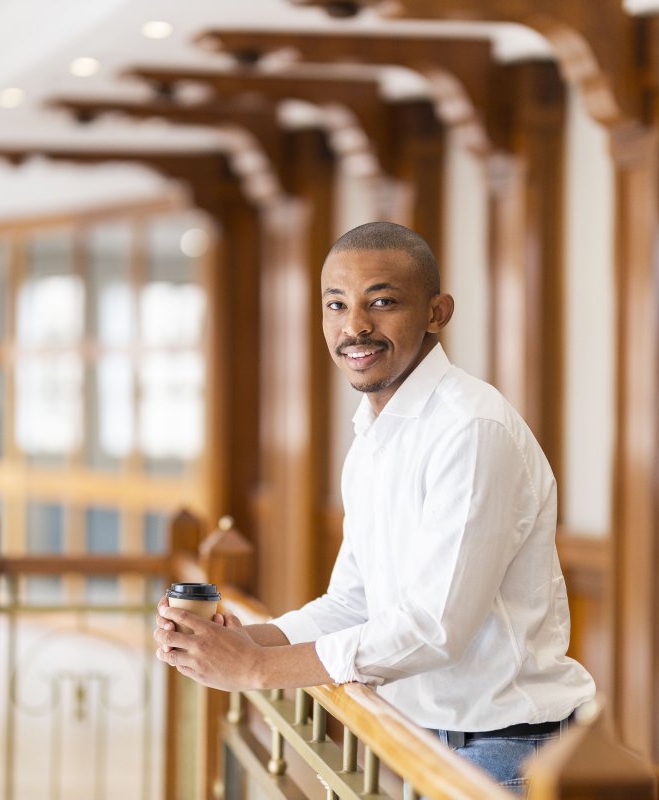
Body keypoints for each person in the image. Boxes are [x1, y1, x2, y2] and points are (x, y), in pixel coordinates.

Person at [154, 221, 595, 791]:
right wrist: (250, 640)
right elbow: (354, 602)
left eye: (381, 302)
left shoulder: (471, 428)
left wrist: (257, 670)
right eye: (336, 305)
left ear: (438, 312)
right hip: (421, 740)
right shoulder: (373, 435)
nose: (354, 326)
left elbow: (436, 628)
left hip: (507, 749)